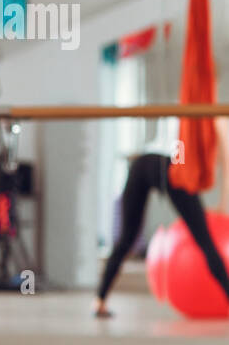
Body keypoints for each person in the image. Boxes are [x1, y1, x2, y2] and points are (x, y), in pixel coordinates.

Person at [94, 116, 229, 317]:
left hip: (153, 165)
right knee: (205, 241)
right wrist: (223, 203)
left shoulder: (207, 125)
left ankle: (99, 300)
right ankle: (100, 301)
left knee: (128, 239)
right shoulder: (212, 123)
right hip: (166, 167)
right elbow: (197, 158)